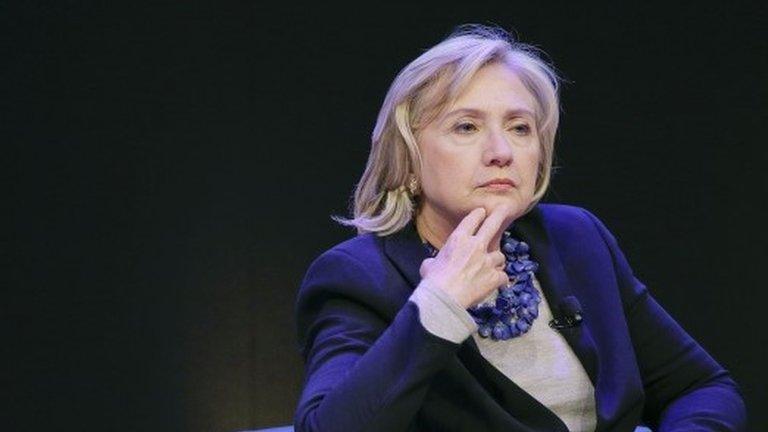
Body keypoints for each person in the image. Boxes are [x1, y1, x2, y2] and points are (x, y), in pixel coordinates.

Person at [293, 24, 747, 431]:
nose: (500, 151)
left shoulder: (578, 239)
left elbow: (703, 387)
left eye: (519, 128)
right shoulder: (358, 279)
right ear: (409, 160)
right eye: (467, 127)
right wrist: (439, 304)